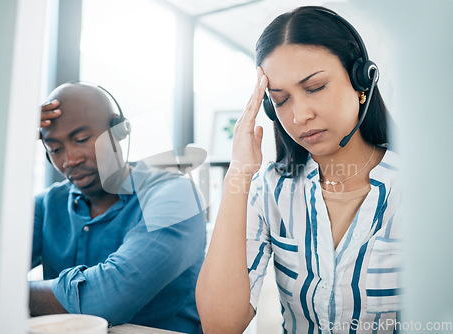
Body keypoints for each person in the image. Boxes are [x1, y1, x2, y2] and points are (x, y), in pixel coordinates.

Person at [196, 6, 401, 334]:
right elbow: (220, 326)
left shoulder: (425, 188)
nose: (299, 114)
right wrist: (239, 172)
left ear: (362, 81)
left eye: (315, 87)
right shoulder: (270, 190)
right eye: (280, 99)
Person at [31, 82, 206, 334]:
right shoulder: (48, 204)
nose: (70, 160)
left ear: (117, 131)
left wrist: (13, 292)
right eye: (55, 149)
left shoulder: (177, 195)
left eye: (81, 139)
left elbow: (107, 299)